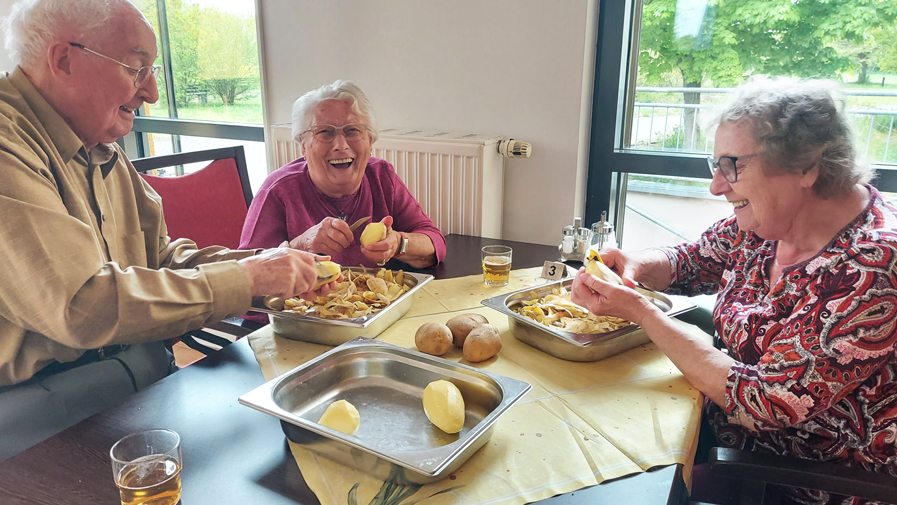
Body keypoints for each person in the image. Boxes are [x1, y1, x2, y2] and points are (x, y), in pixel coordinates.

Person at [0, 0, 331, 459]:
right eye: (136, 69)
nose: (152, 92)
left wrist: (267, 265)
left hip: (139, 373)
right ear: (64, 60)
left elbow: (162, 260)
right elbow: (83, 305)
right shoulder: (7, 147)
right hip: (39, 414)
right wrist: (251, 280)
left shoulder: (100, 146)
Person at [572, 78, 897, 505]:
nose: (716, 186)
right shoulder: (770, 221)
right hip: (718, 430)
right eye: (716, 164)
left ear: (805, 167)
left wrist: (643, 313)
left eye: (732, 166)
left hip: (793, 482)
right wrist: (634, 264)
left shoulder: (872, 267)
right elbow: (692, 259)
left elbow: (764, 402)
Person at [239, 80, 446, 270]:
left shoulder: (382, 177)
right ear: (303, 145)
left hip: (377, 307)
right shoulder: (278, 190)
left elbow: (434, 243)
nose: (340, 145)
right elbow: (244, 274)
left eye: (352, 130)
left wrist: (399, 244)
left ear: (370, 141)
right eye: (325, 132)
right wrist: (300, 245)